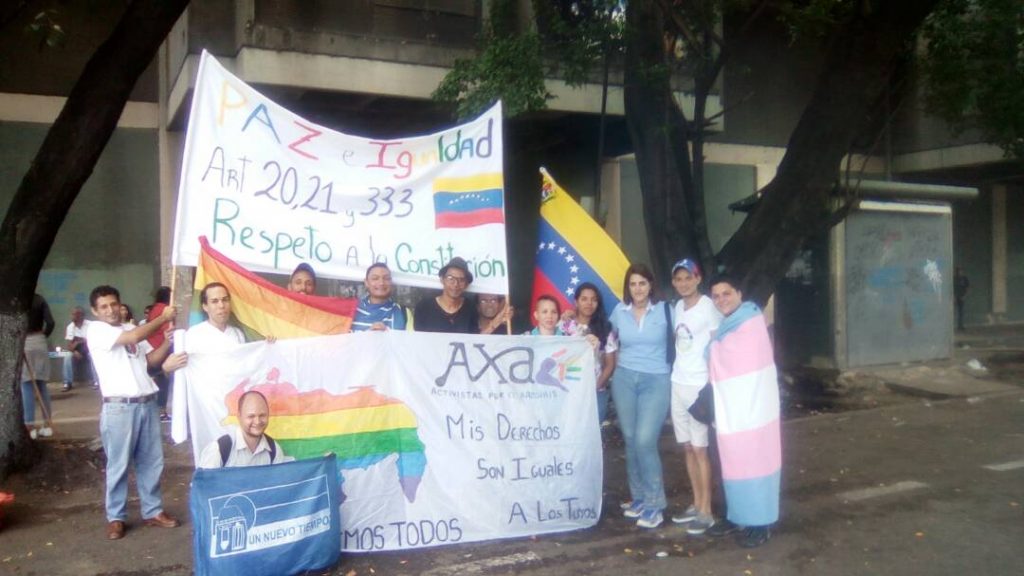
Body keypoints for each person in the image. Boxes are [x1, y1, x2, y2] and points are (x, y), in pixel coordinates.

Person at [86, 285, 180, 540]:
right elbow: (133, 339)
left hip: (146, 402)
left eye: (113, 304)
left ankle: (153, 511)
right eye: (103, 306)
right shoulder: (95, 331)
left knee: (152, 462)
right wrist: (162, 318)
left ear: (120, 304)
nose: (110, 310)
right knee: (118, 464)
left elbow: (150, 362)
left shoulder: (130, 329)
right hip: (119, 407)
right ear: (95, 311)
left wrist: (167, 343)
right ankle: (116, 517)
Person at [705, 274, 781, 548]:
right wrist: (715, 347)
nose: (721, 300)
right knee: (732, 461)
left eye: (726, 293)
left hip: (755, 408)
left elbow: (741, 357)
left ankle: (760, 522)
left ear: (739, 293)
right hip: (732, 407)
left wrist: (713, 348)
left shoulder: (751, 321)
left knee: (756, 460)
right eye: (716, 296)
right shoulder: (729, 325)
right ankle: (736, 515)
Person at [609, 264, 672, 529]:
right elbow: (608, 340)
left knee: (646, 440)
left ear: (651, 285)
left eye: (642, 283)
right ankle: (639, 497)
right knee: (632, 438)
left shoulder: (666, 310)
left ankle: (655, 504)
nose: (638, 289)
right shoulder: (618, 311)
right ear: (628, 287)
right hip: (624, 378)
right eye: (633, 284)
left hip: (656, 379)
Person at [666, 259, 722, 535]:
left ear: (698, 278)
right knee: (687, 446)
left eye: (688, 277)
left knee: (701, 449)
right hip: (677, 382)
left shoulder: (709, 307)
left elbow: (717, 345)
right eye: (678, 279)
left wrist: (712, 384)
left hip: (698, 385)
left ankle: (706, 511)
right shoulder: (677, 307)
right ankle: (695, 502)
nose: (683, 283)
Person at [161, 283, 247, 374]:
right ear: (205, 306)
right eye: (215, 301)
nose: (221, 306)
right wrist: (166, 368)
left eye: (225, 300)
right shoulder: (194, 334)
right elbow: (179, 370)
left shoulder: (238, 334)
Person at [564, 283, 618, 427]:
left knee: (593, 437)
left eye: (593, 299)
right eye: (584, 299)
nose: (589, 303)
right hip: (569, 392)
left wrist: (595, 387)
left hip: (596, 392)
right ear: (576, 301)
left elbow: (610, 364)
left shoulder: (606, 329)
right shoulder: (565, 327)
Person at [198, 391, 294, 468]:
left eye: (262, 415)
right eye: (251, 416)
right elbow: (204, 489)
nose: (257, 421)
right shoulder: (219, 450)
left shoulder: (274, 450)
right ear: (239, 417)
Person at [413, 257, 479, 333]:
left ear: (466, 285)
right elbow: (418, 340)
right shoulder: (424, 307)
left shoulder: (470, 308)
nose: (455, 284)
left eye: (461, 280)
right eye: (450, 278)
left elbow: (474, 339)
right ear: (442, 280)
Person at [22, 294, 55, 438]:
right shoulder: (40, 299)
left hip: (24, 341)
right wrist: (43, 335)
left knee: (27, 384)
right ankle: (47, 424)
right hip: (40, 340)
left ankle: (30, 426)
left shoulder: (16, 299)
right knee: (41, 384)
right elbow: (51, 322)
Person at [353, 263, 409, 331]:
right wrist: (368, 334)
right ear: (366, 282)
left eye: (386, 278)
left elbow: (411, 340)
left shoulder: (403, 312)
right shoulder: (352, 310)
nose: (381, 283)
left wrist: (387, 333)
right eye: (375, 278)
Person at [145, 287, 173, 422]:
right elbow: (168, 329)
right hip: (161, 347)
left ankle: (159, 409)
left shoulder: (154, 308)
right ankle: (162, 409)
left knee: (159, 379)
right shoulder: (165, 309)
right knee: (163, 379)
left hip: (153, 346)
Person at [62, 306, 96, 391]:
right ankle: (67, 383)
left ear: (82, 316)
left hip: (90, 348)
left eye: (76, 314)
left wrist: (78, 341)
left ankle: (97, 381)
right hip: (77, 350)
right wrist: (75, 349)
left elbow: (93, 340)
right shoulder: (70, 327)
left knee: (93, 356)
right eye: (72, 314)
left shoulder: (90, 324)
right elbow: (70, 345)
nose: (73, 316)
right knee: (67, 356)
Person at [954, 267, 969, 331]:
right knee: (953, 312)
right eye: (958, 271)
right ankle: (952, 325)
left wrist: (964, 296)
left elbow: (967, 287)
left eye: (960, 271)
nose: (959, 272)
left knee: (961, 312)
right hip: (955, 297)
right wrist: (953, 297)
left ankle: (960, 326)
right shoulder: (954, 278)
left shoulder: (964, 278)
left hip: (961, 297)